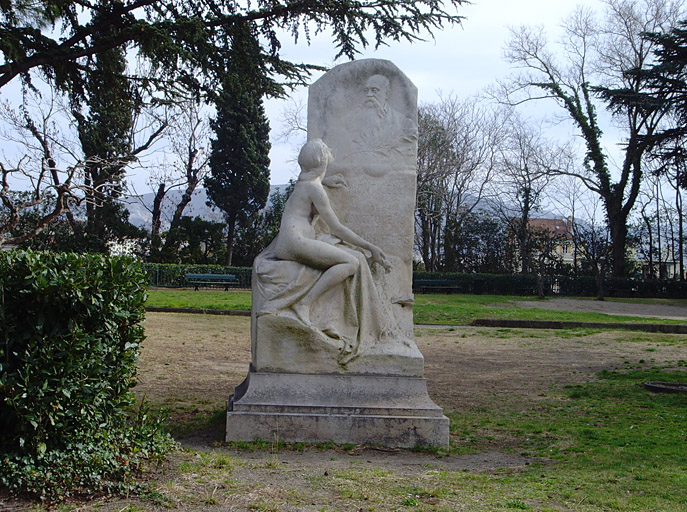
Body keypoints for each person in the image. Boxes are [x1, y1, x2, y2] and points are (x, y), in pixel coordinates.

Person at [271, 138, 390, 326]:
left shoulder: (306, 182)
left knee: (340, 248)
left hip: (290, 241)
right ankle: (304, 303)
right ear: (323, 159)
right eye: (327, 150)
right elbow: (338, 228)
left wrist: (325, 181)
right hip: (295, 243)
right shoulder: (314, 189)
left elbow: (310, 184)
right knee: (351, 262)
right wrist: (370, 247)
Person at [327, 74, 417, 177]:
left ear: (386, 94)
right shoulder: (348, 122)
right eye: (366, 91)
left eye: (374, 90)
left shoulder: (404, 124)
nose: (369, 95)